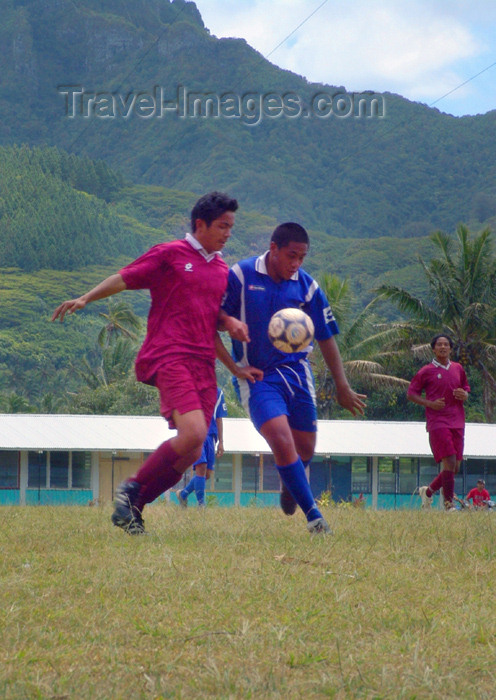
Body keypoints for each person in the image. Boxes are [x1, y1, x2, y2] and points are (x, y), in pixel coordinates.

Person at [52, 191, 260, 534]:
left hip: (203, 365)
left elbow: (211, 324)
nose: (228, 233)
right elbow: (125, 277)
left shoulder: (221, 268)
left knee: (193, 450)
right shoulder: (170, 254)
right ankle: (131, 486)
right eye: (223, 226)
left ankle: (133, 508)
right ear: (200, 224)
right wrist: (86, 297)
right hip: (169, 353)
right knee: (193, 432)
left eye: (231, 227)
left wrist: (232, 349)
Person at [217, 222, 366, 535]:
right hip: (258, 377)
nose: (296, 263)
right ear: (273, 249)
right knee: (281, 440)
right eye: (291, 255)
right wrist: (231, 333)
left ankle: (291, 486)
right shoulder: (242, 275)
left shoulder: (307, 287)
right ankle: (315, 517)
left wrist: (342, 386)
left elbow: (326, 338)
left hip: (297, 374)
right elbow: (214, 318)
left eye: (302, 257)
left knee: (305, 450)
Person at [408, 333, 470, 512]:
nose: (443, 347)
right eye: (439, 345)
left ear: (450, 348)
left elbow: (466, 388)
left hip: (457, 420)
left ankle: (428, 492)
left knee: (455, 466)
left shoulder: (458, 368)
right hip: (438, 422)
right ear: (433, 349)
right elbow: (411, 394)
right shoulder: (426, 371)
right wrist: (430, 404)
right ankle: (449, 506)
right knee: (449, 460)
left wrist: (465, 394)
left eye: (446, 344)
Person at [176, 387, 227, 507]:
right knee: (201, 466)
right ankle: (201, 505)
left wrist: (221, 441)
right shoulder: (191, 389)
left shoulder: (218, 393)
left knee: (206, 474)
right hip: (196, 433)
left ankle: (183, 494)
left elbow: (219, 418)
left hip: (211, 436)